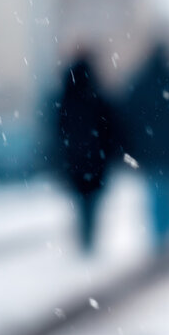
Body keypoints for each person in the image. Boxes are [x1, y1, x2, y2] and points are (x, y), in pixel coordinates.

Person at [122, 43, 169, 252]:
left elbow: (129, 120)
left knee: (157, 196)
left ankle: (161, 239)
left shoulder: (141, 84)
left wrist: (134, 152)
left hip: (152, 155)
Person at [55, 54, 118, 254]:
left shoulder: (65, 100)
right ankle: (88, 239)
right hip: (95, 161)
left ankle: (84, 239)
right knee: (91, 204)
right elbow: (111, 131)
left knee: (81, 203)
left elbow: (57, 132)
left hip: (75, 162)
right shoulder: (98, 98)